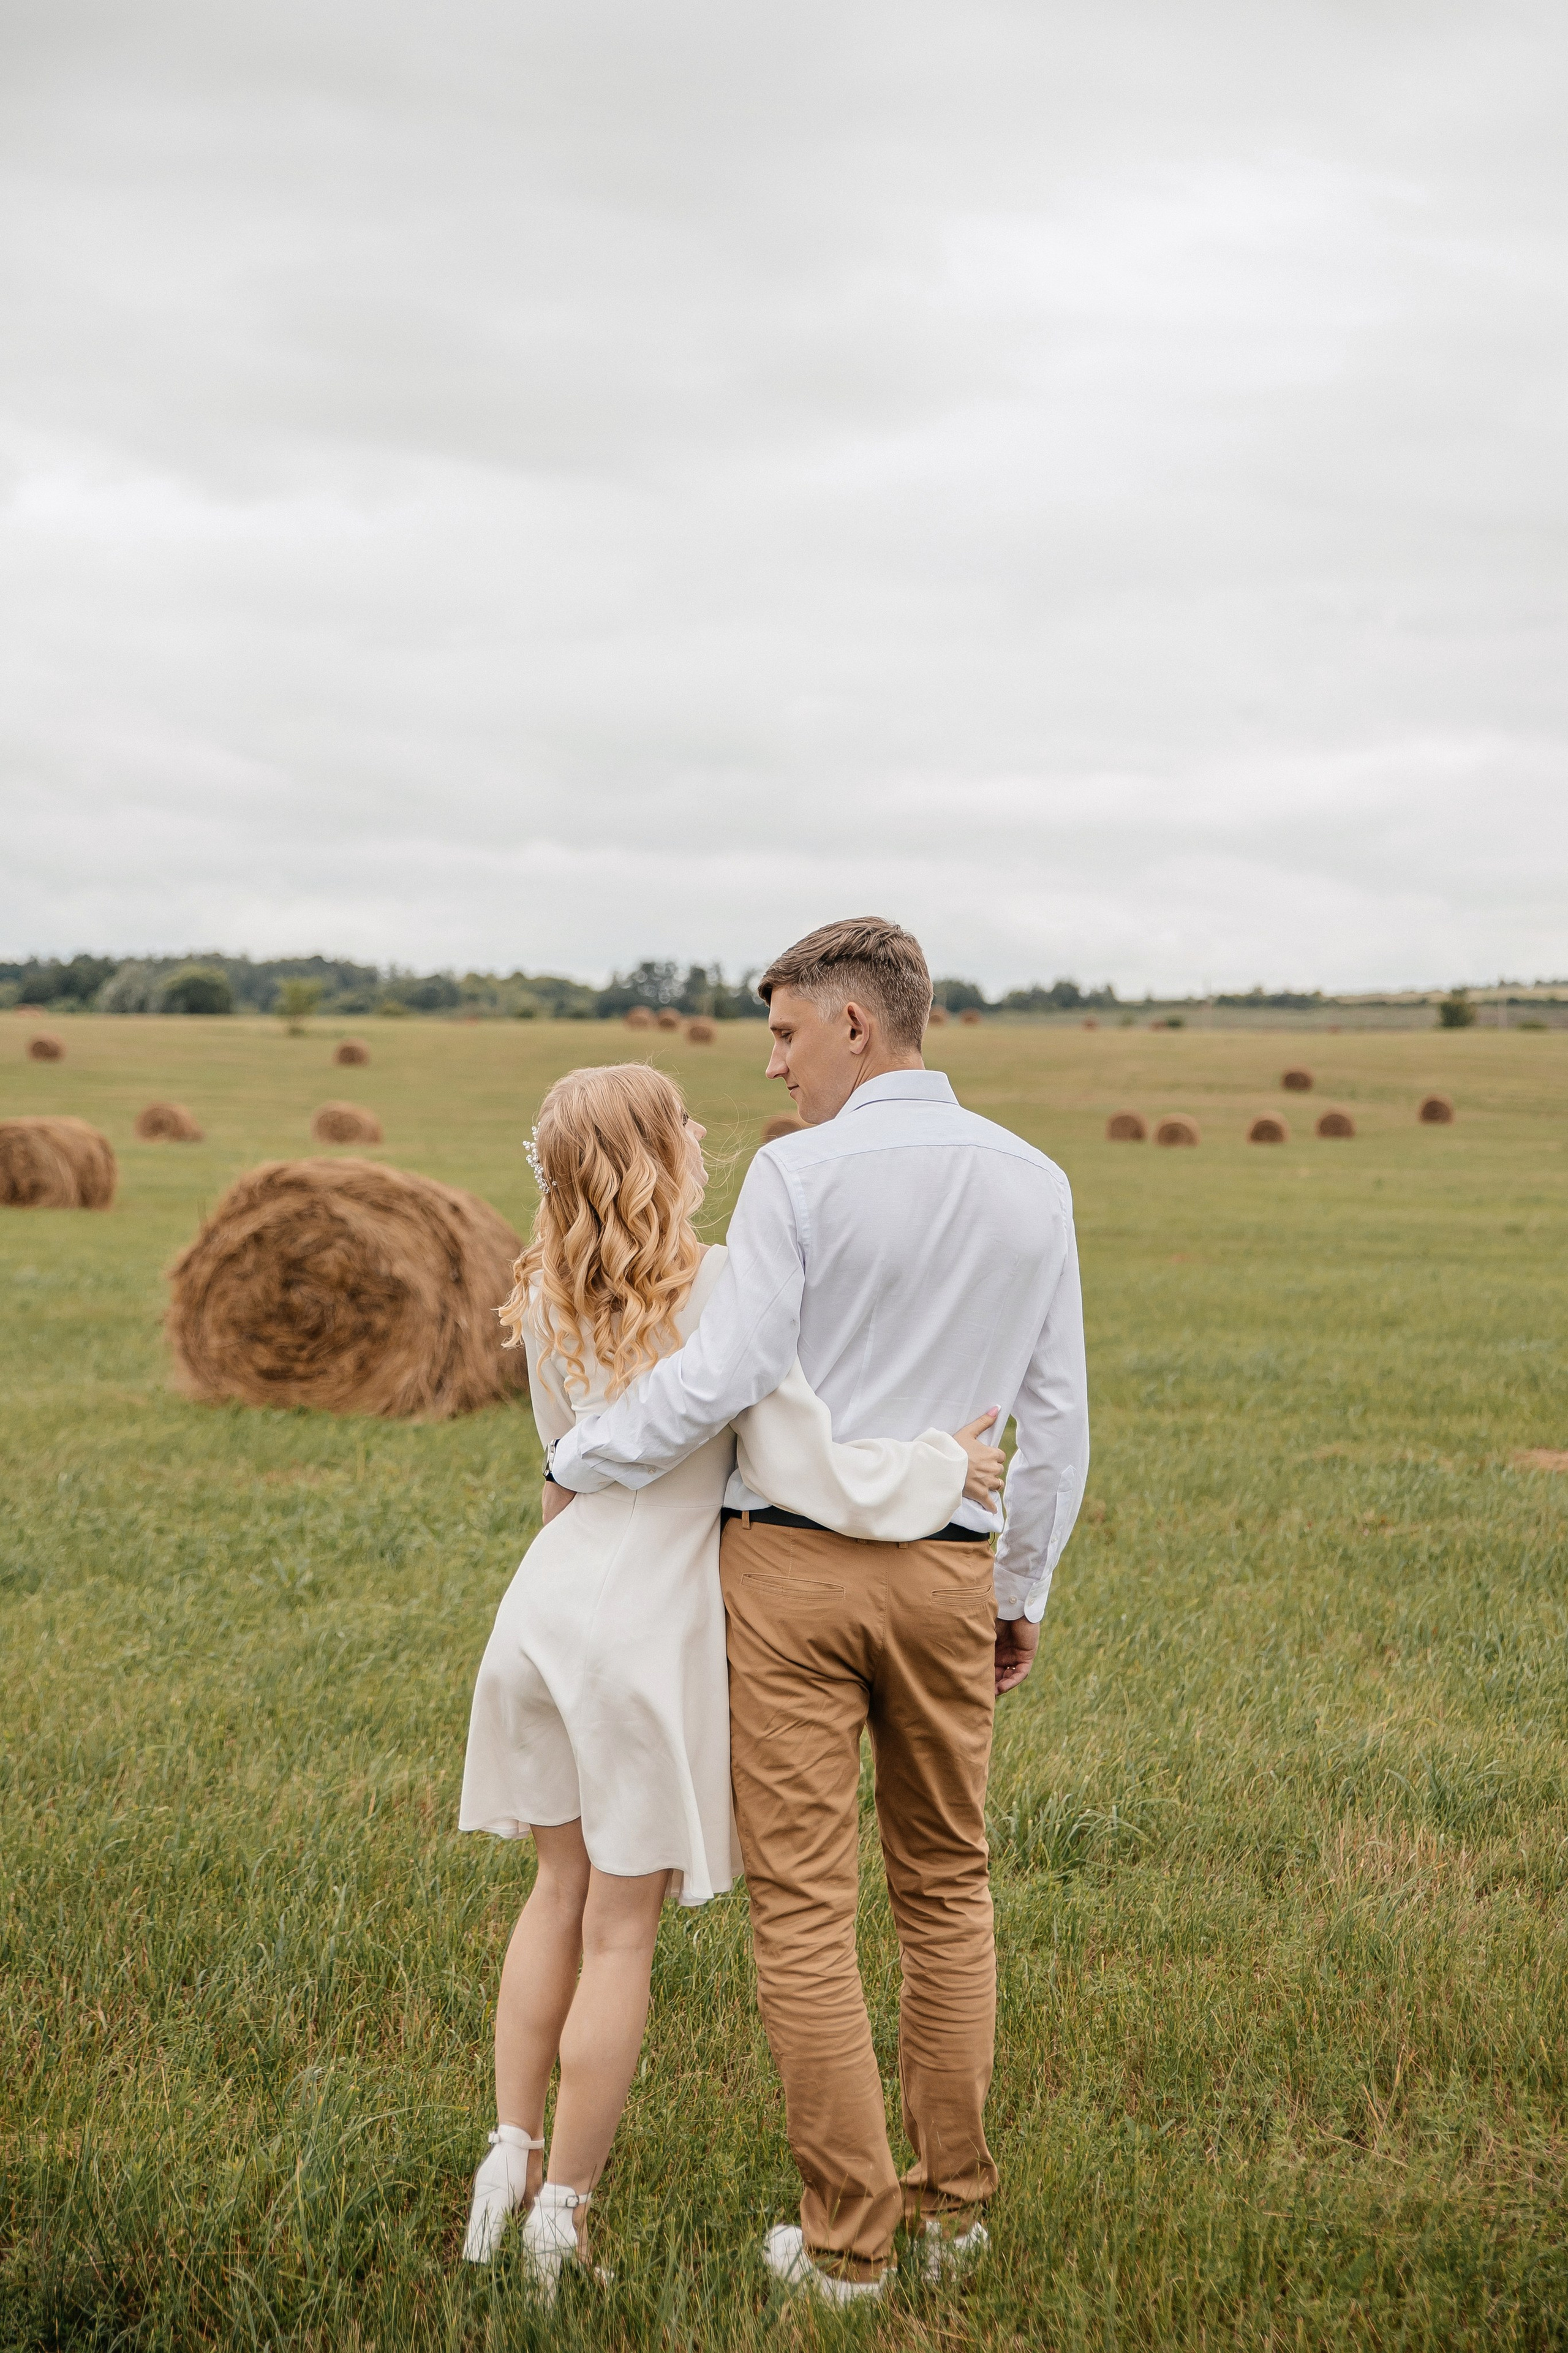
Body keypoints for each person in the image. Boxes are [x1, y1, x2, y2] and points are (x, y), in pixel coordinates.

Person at [545, 918, 1090, 2303]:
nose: (772, 1065)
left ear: (857, 1025)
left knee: (802, 1907)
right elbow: (1056, 1418)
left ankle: (847, 2249)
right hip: (949, 1569)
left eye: (786, 1034)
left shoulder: (797, 1174)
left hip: (789, 1572)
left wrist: (579, 1452)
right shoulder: (1037, 1182)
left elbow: (724, 1375)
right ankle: (955, 2212)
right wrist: (1013, 1584)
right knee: (947, 1886)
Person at [457, 1060, 1007, 2295]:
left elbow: (562, 1472)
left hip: (542, 1606)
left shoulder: (539, 1289)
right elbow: (800, 1459)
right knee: (618, 1930)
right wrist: (937, 1468)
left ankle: (505, 2156)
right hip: (646, 1634)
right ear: (667, 1154)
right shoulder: (716, 1285)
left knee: (551, 1893)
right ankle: (562, 2217)